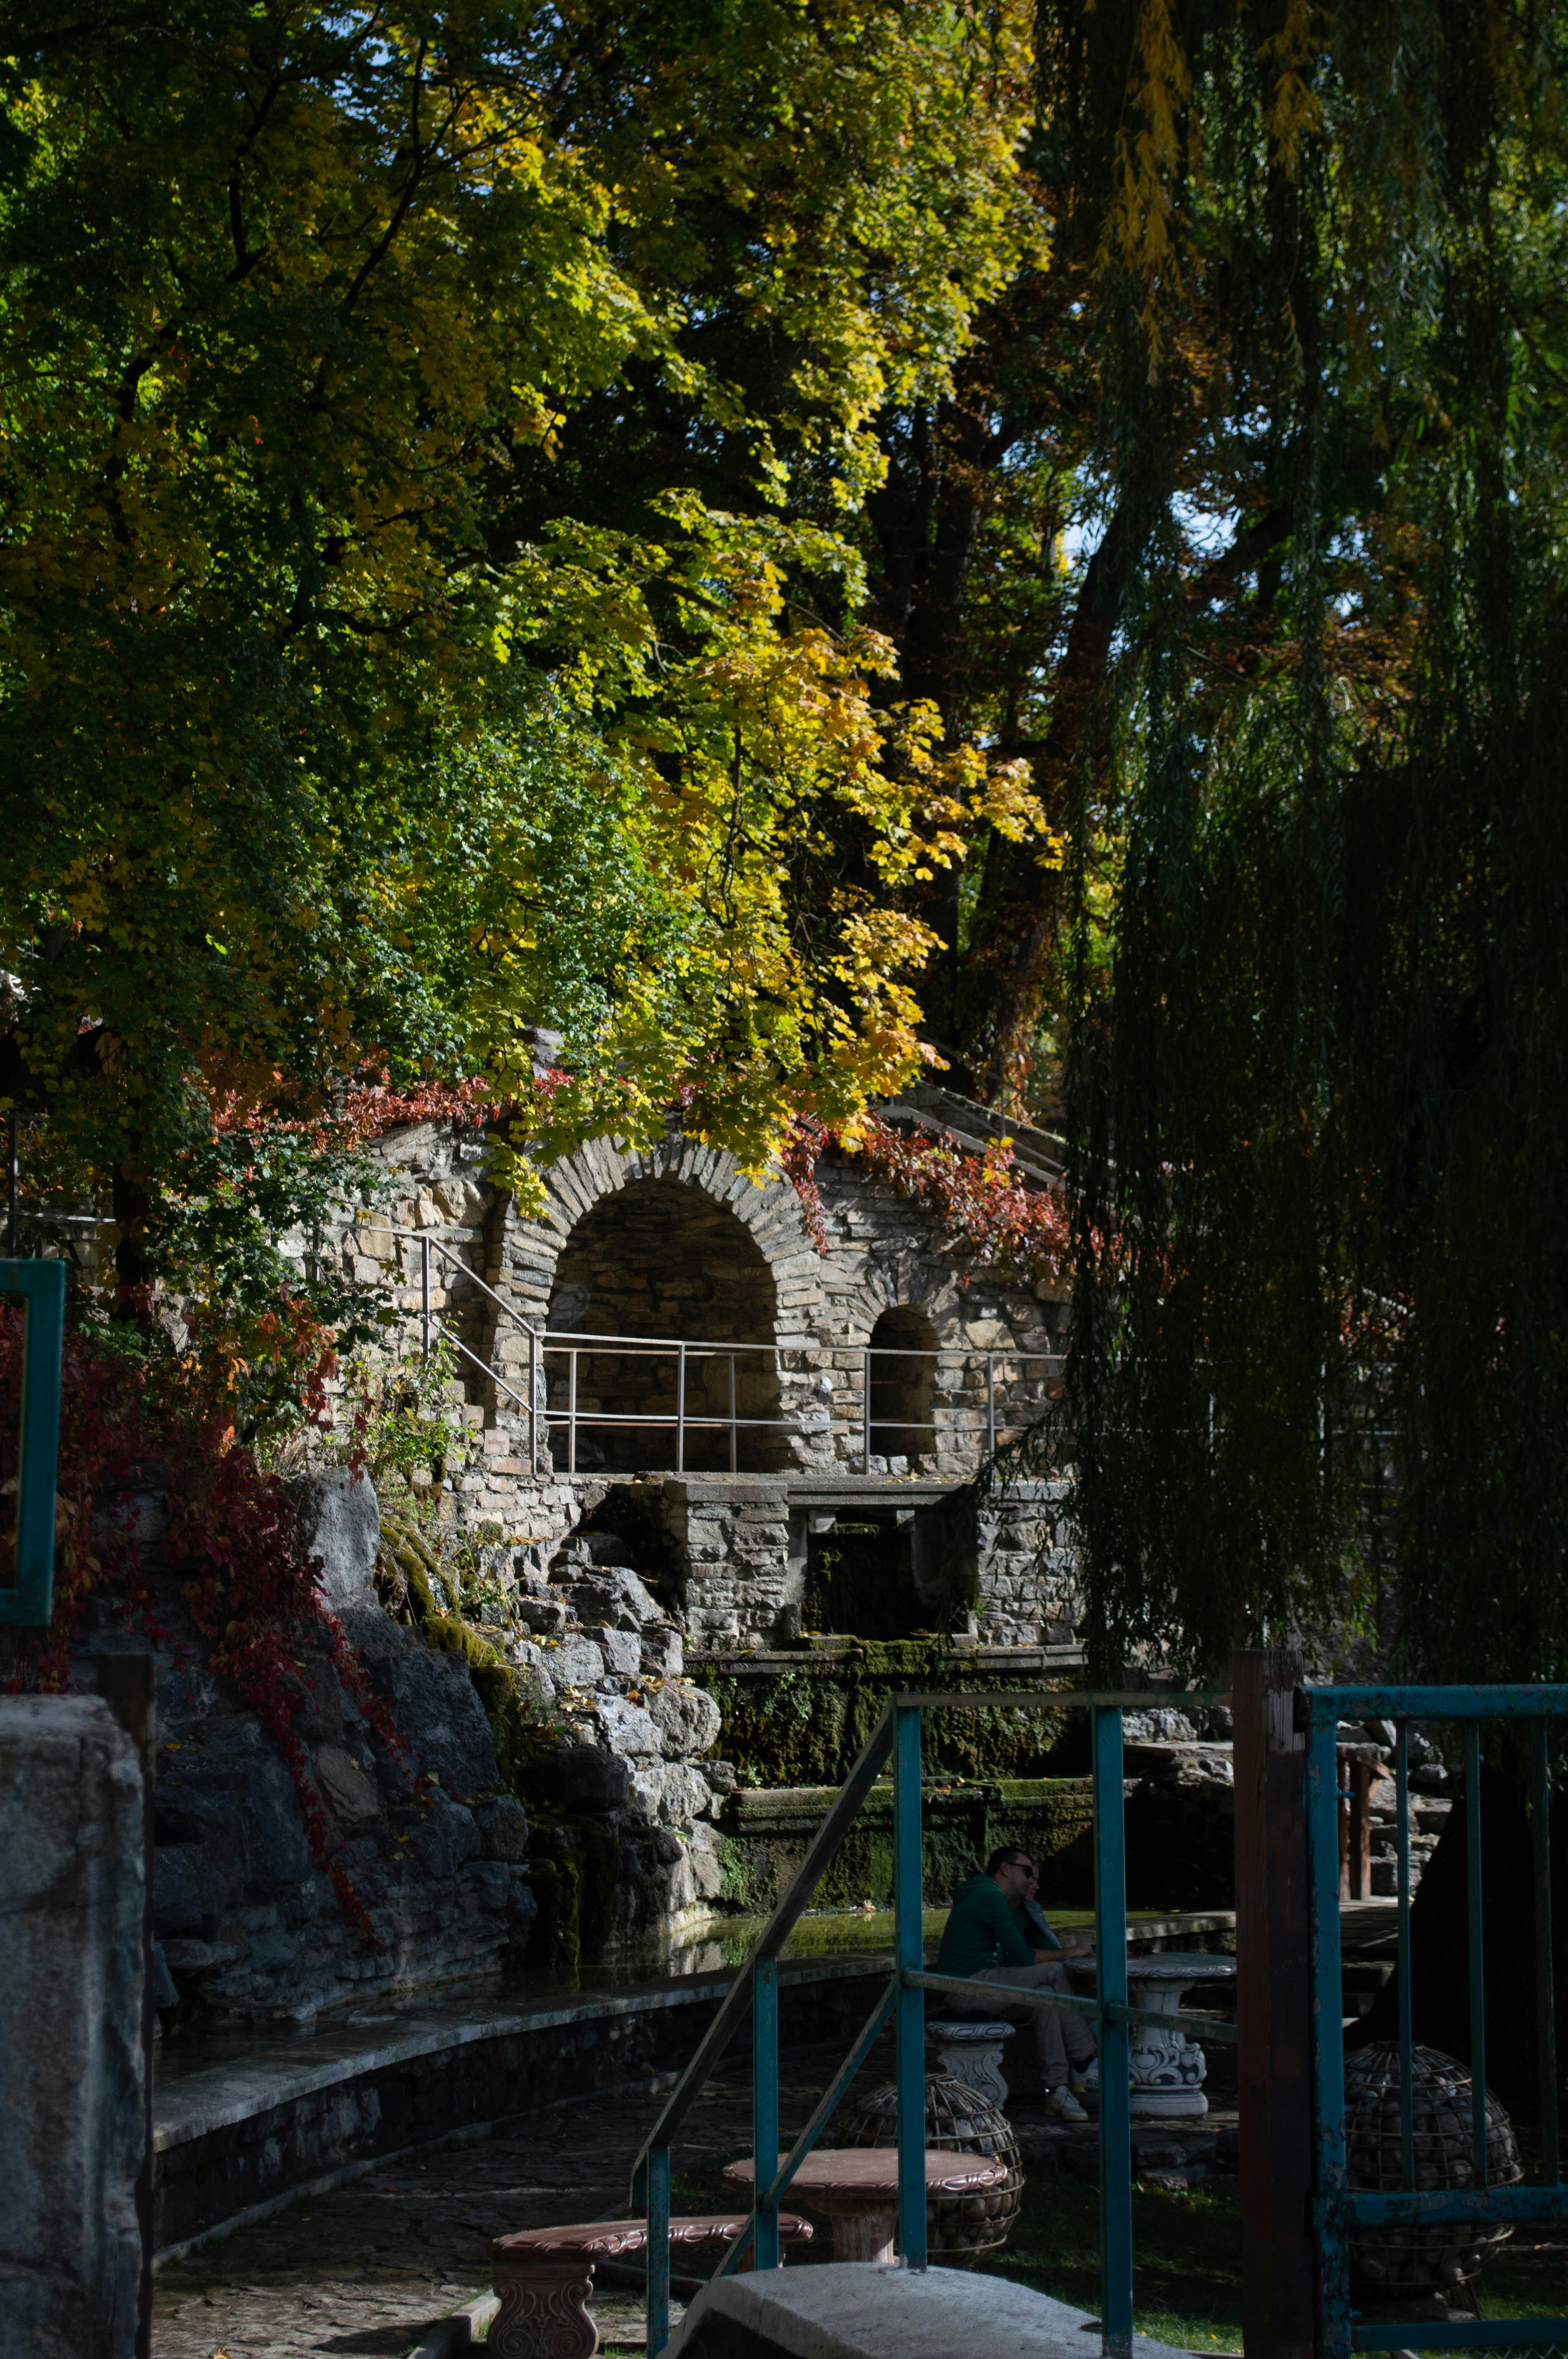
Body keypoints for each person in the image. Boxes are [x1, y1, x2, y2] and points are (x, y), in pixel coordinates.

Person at [934, 1845, 1097, 2120]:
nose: (1032, 1879)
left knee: (1045, 1997)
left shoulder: (991, 1897)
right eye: (1028, 1872)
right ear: (1005, 1869)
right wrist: (1073, 1951)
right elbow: (1023, 1956)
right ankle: (1084, 2061)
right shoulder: (988, 1895)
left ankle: (1057, 2089)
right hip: (967, 1988)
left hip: (981, 1989)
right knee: (1053, 1972)